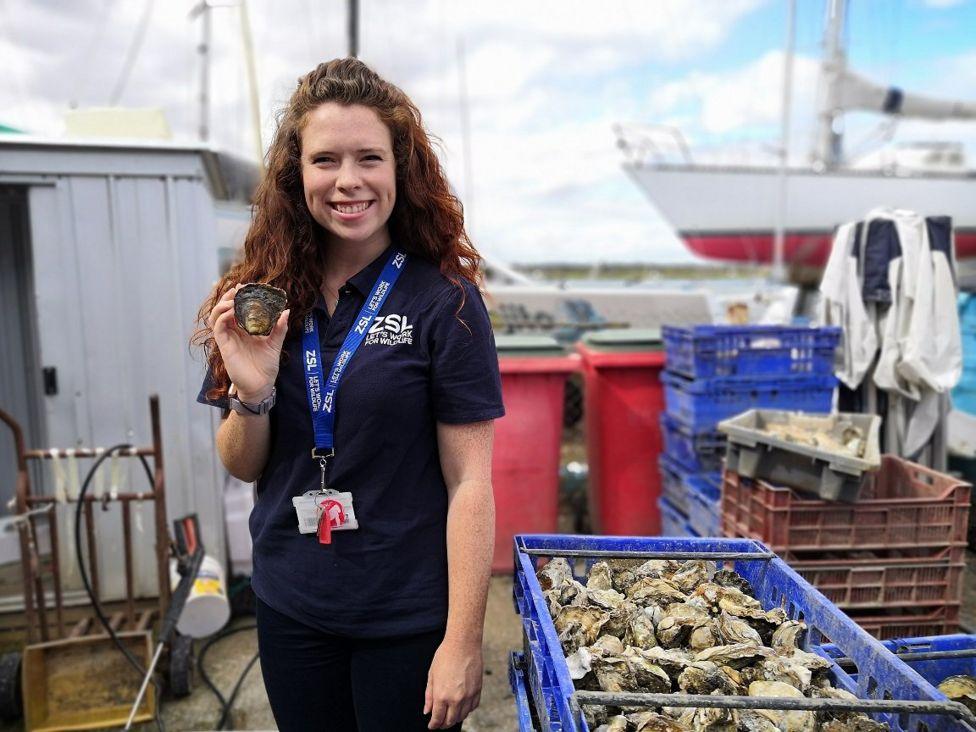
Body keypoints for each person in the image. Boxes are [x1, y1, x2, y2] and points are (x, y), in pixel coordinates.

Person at [193, 58, 504, 731]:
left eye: (370, 157)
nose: (348, 180)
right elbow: (242, 463)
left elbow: (471, 482)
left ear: (401, 170)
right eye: (325, 159)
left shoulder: (444, 305)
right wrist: (252, 394)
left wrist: (463, 640)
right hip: (292, 608)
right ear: (295, 174)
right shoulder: (260, 296)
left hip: (408, 617)